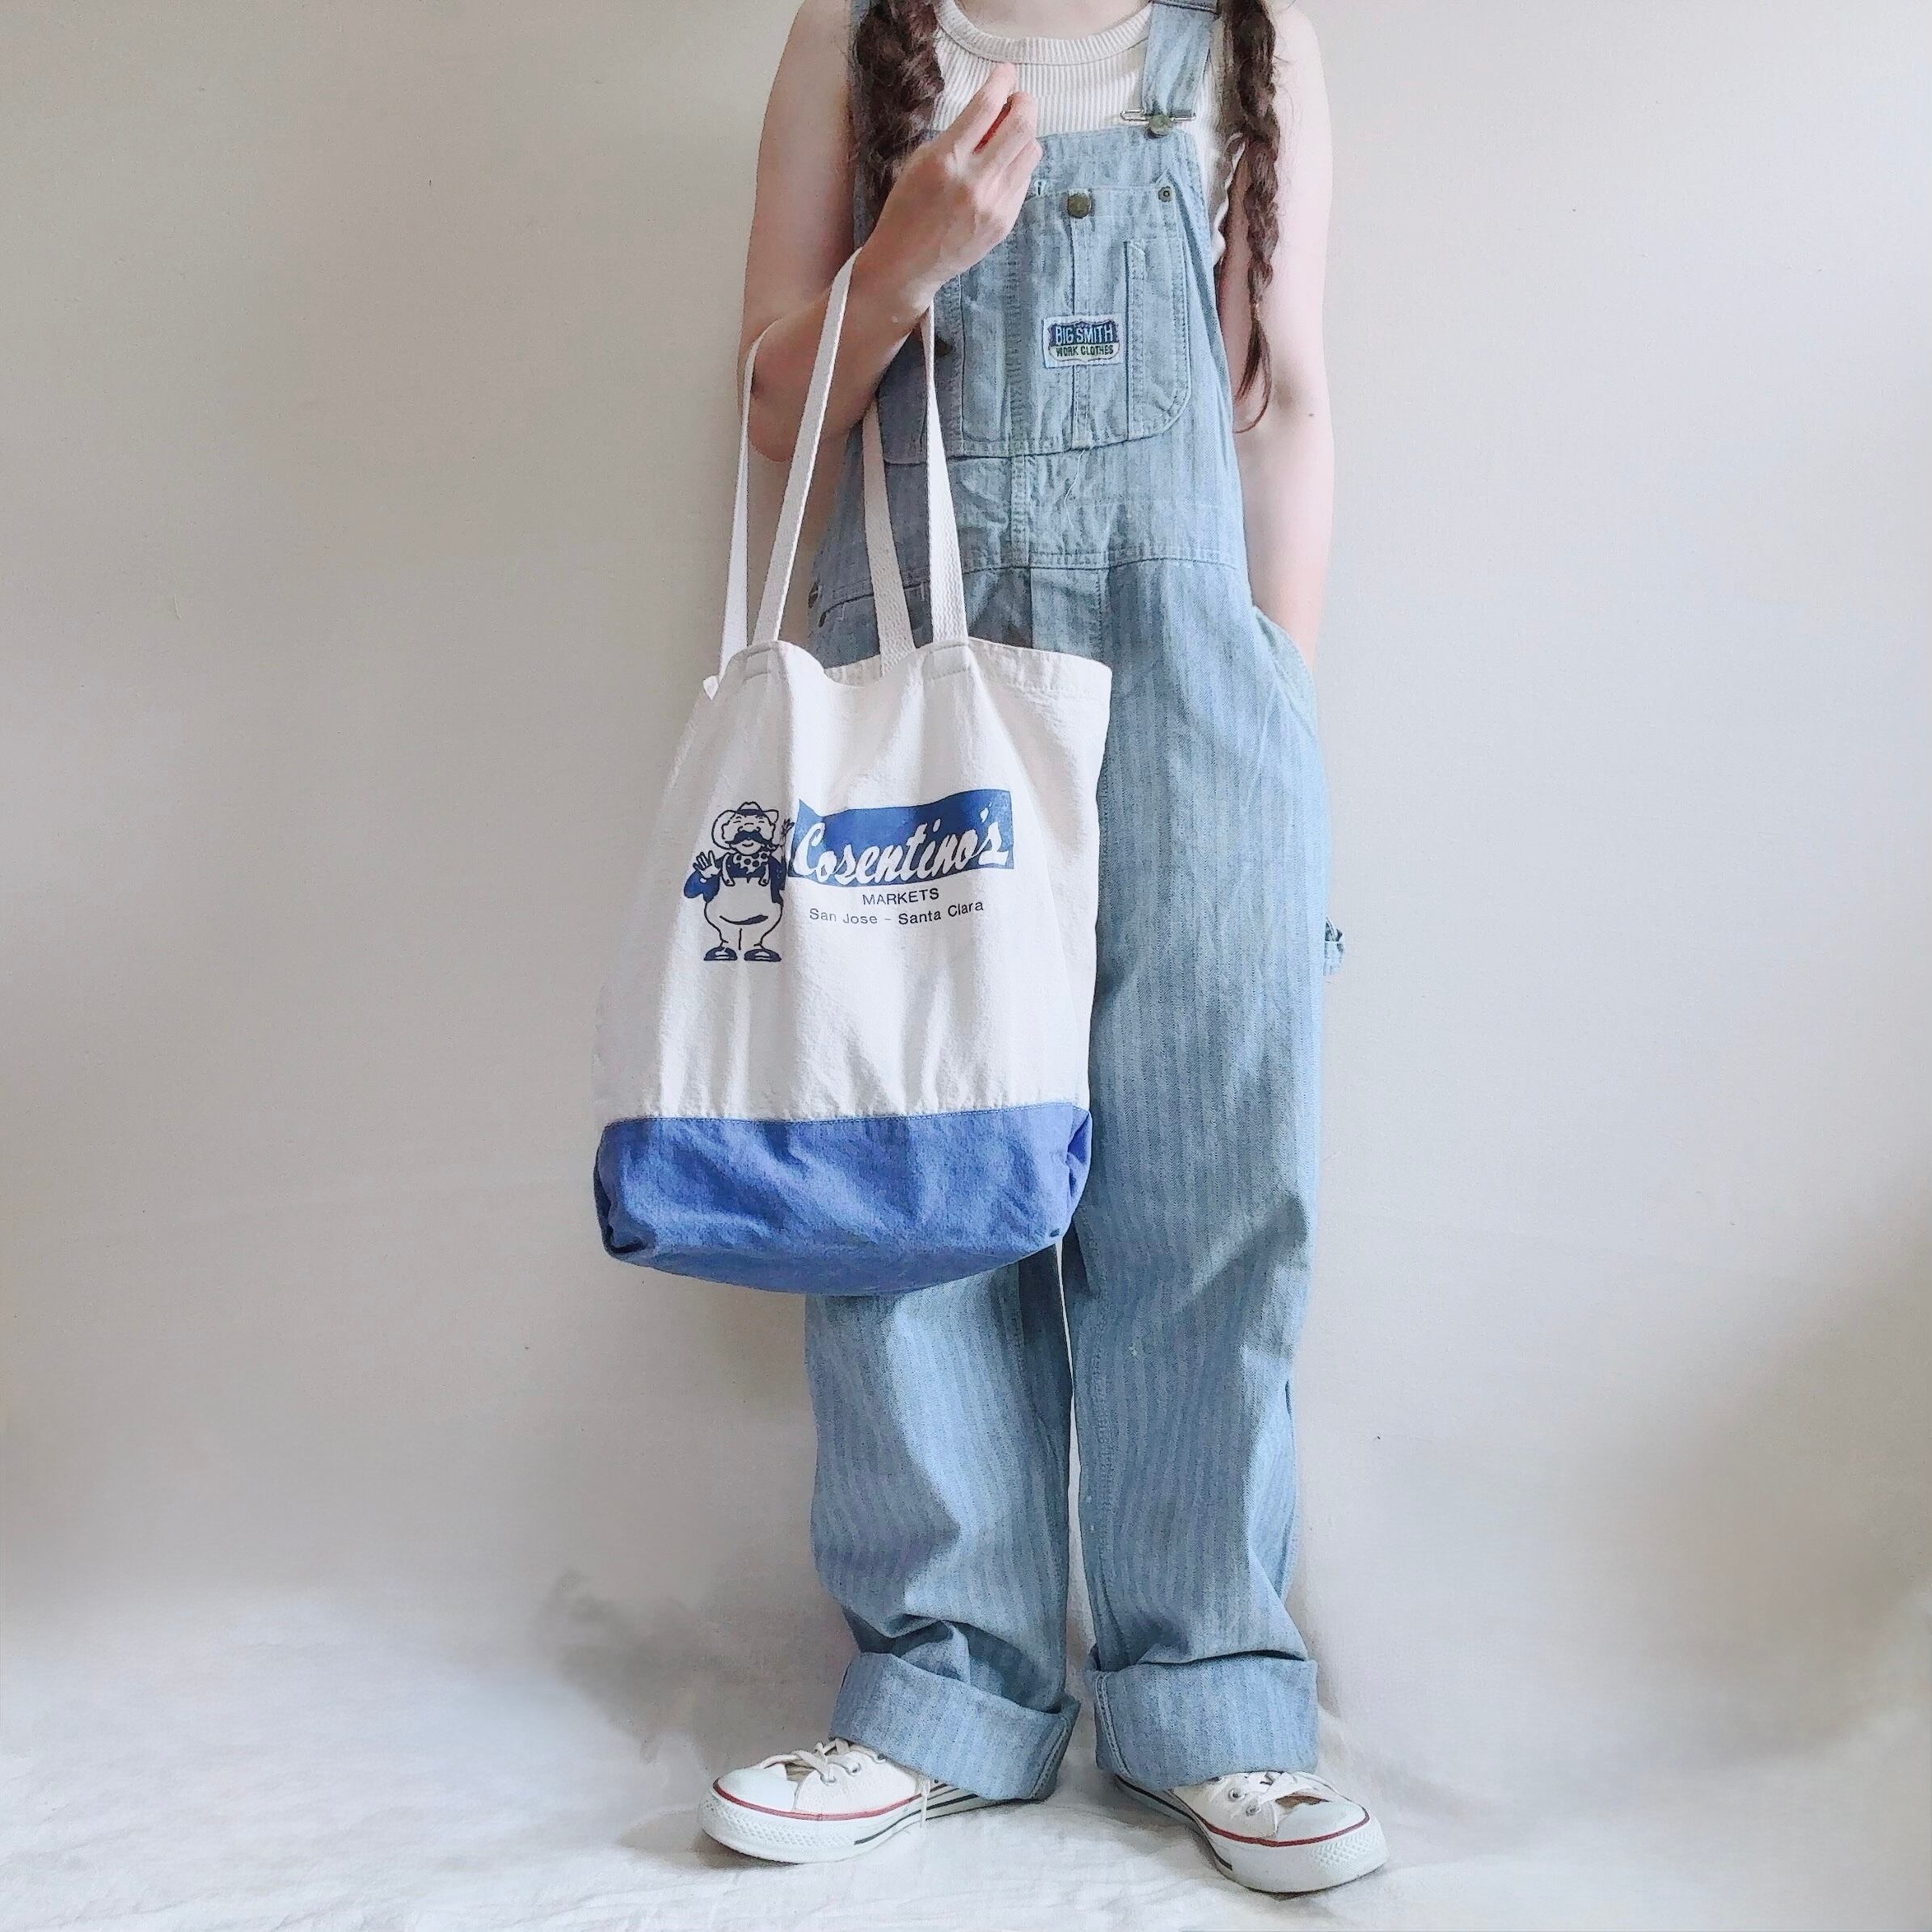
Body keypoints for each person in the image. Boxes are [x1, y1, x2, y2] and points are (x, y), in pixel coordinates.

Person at [696, 0, 1382, 1896]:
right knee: (913, 1177)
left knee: (1216, 1180)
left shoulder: (1246, 36)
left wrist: (1276, 702)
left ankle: (1214, 1701)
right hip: (916, 676)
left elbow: (1282, 399)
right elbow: (772, 406)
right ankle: (942, 1696)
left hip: (1203, 679)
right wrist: (904, 258)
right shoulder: (857, 33)